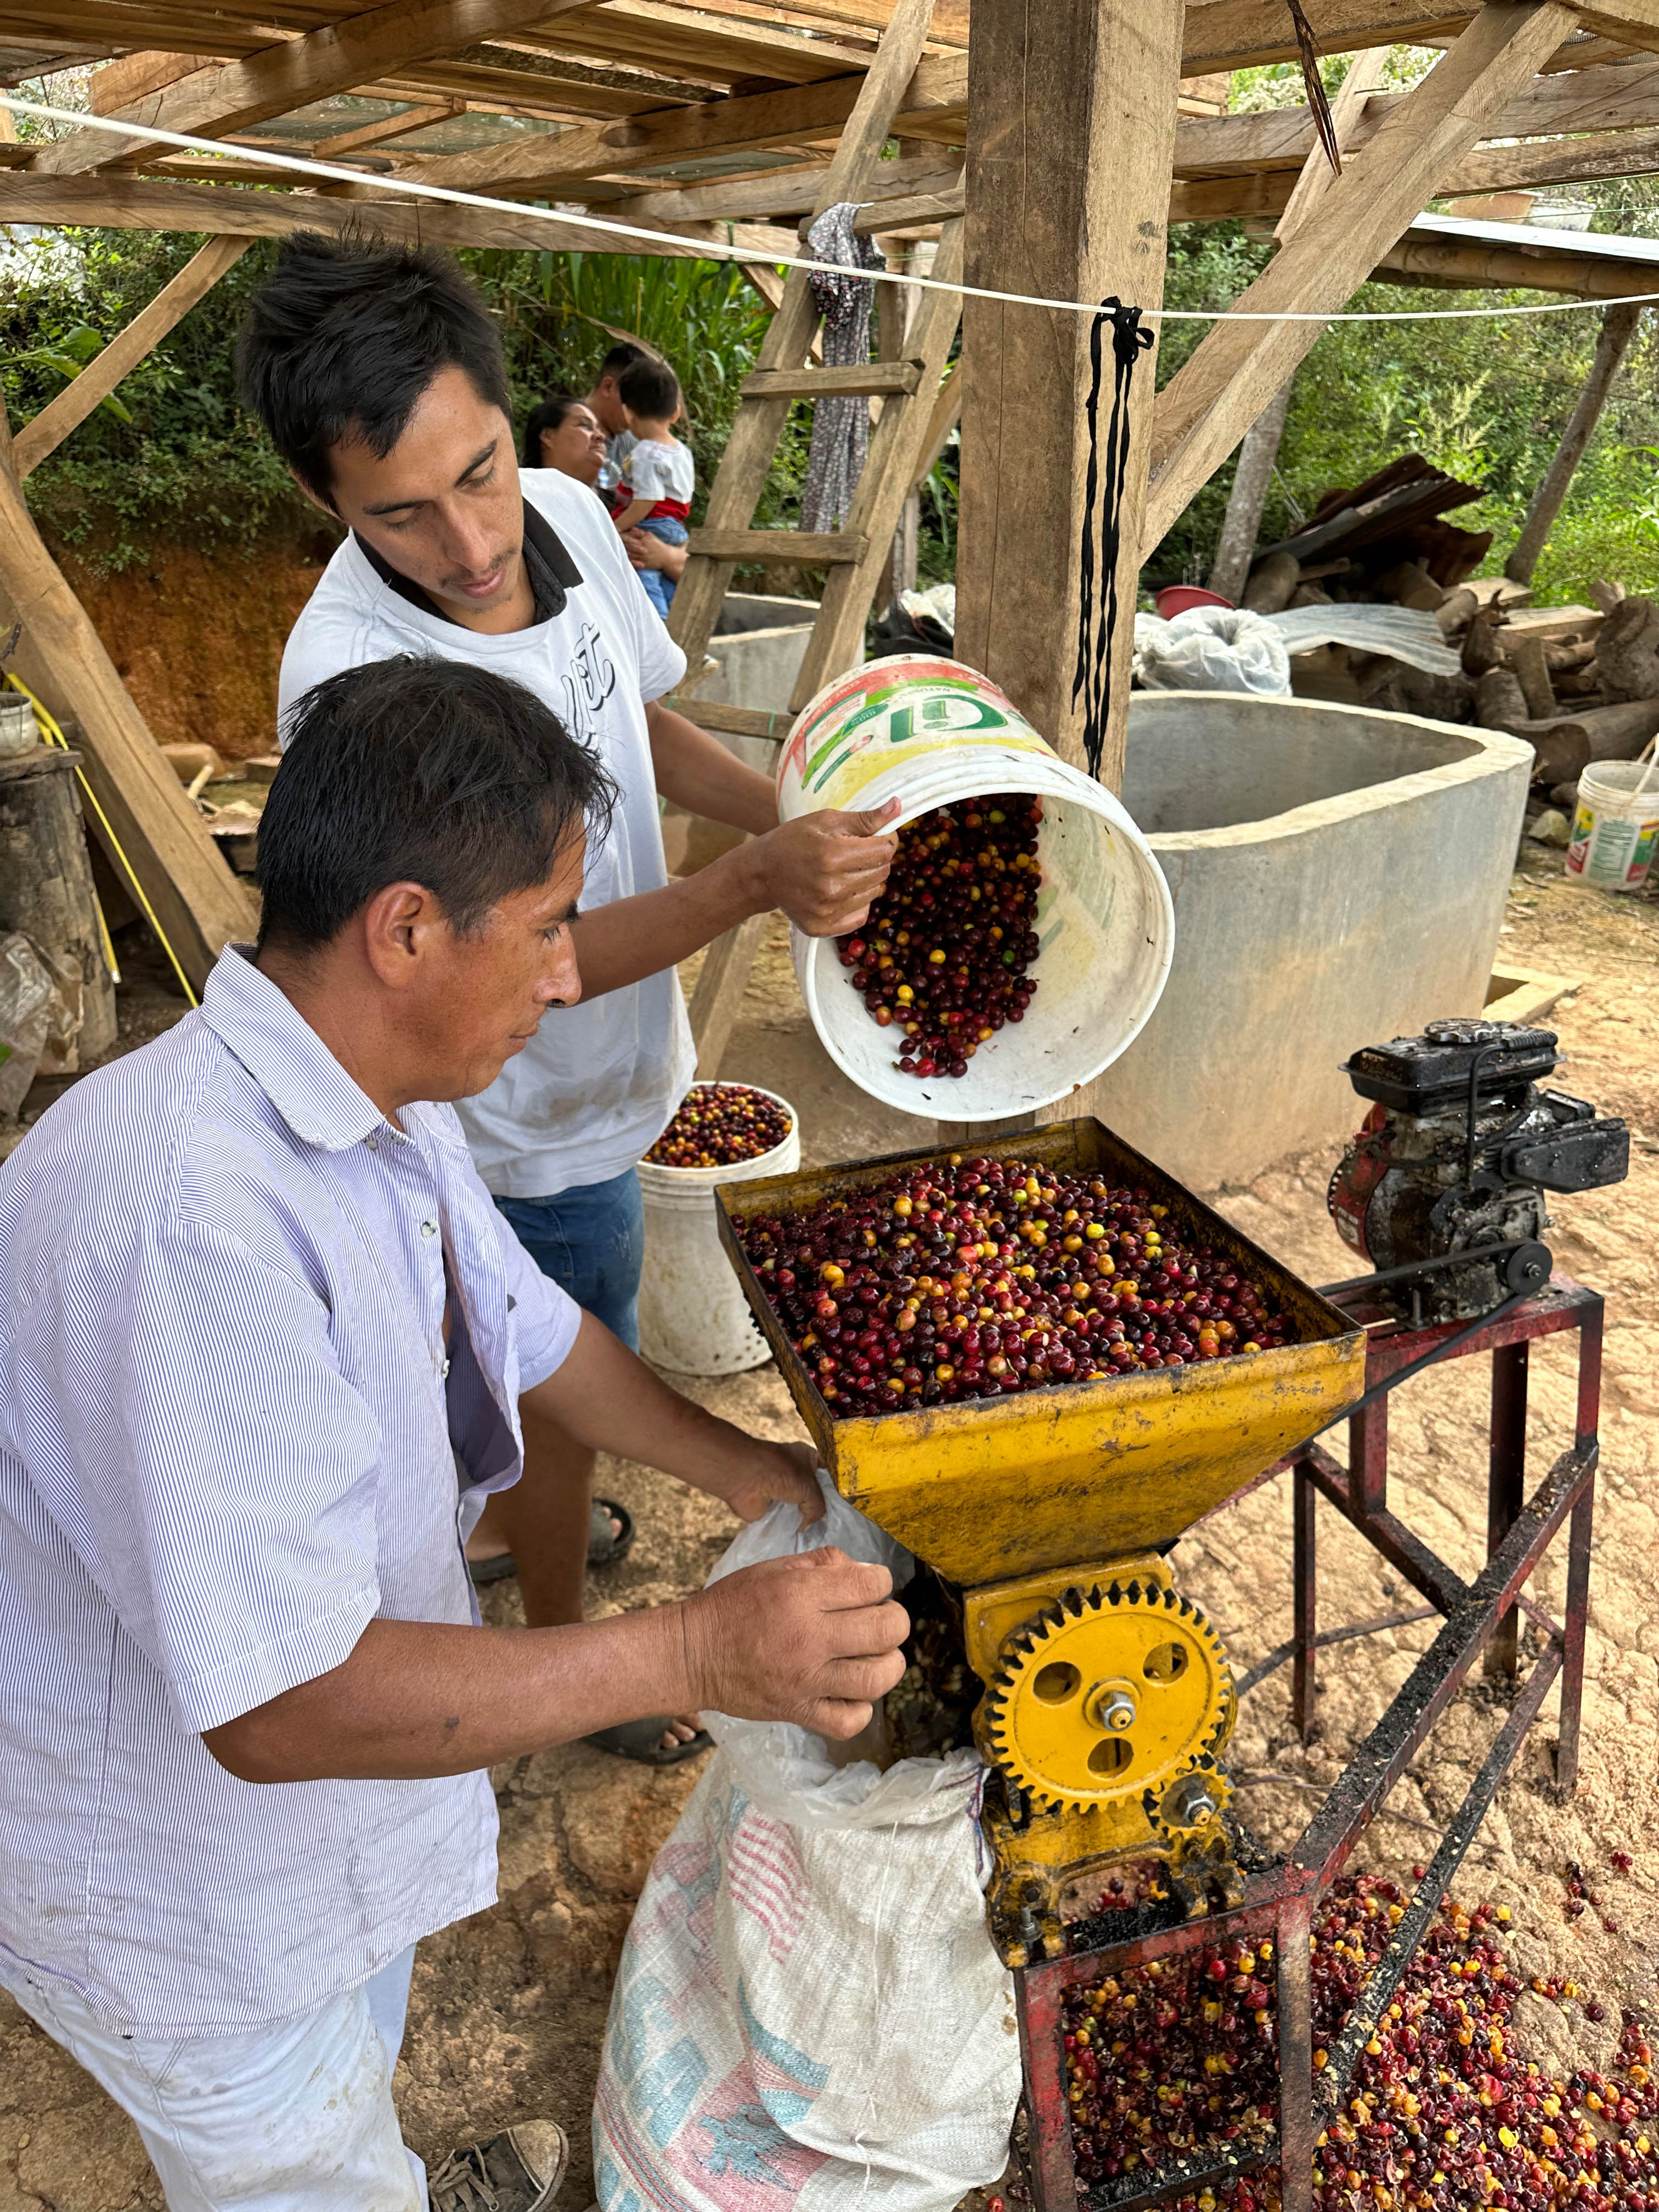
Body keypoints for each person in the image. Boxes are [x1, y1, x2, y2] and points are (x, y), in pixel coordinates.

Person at [0, 652, 910, 2212]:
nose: (571, 975)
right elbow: (278, 1709)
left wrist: (766, 1471)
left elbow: (526, 1327)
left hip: (304, 1833)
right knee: (286, 2146)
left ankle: (374, 2165)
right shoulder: (189, 1227)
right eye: (552, 925)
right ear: (405, 926)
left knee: (349, 2061)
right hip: (183, 1883)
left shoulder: (378, 1086)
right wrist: (694, 1653)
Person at [238, 233, 898, 1764]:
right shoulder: (352, 677)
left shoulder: (559, 514)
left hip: (619, 1065)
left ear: (509, 422)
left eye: (477, 473)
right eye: (401, 512)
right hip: (506, 1105)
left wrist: (792, 809)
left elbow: (637, 721)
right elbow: (519, 969)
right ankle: (558, 1654)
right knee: (548, 1365)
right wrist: (746, 885)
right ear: (325, 501)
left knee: (552, 1358)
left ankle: (515, 1527)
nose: (470, 541)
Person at [610, 353, 693, 618]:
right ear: (676, 413)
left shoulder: (646, 452)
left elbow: (648, 500)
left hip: (652, 524)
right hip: (676, 527)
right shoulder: (682, 451)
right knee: (668, 585)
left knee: (642, 573)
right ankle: (676, 631)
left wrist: (615, 528)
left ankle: (658, 626)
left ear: (627, 412)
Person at [580, 339, 644, 510]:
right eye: (633, 403)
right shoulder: (563, 428)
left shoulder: (633, 445)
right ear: (608, 387)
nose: (636, 415)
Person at [521, 392, 607, 490]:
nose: (601, 436)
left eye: (599, 430)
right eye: (585, 425)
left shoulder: (617, 503)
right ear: (548, 436)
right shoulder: (516, 495)